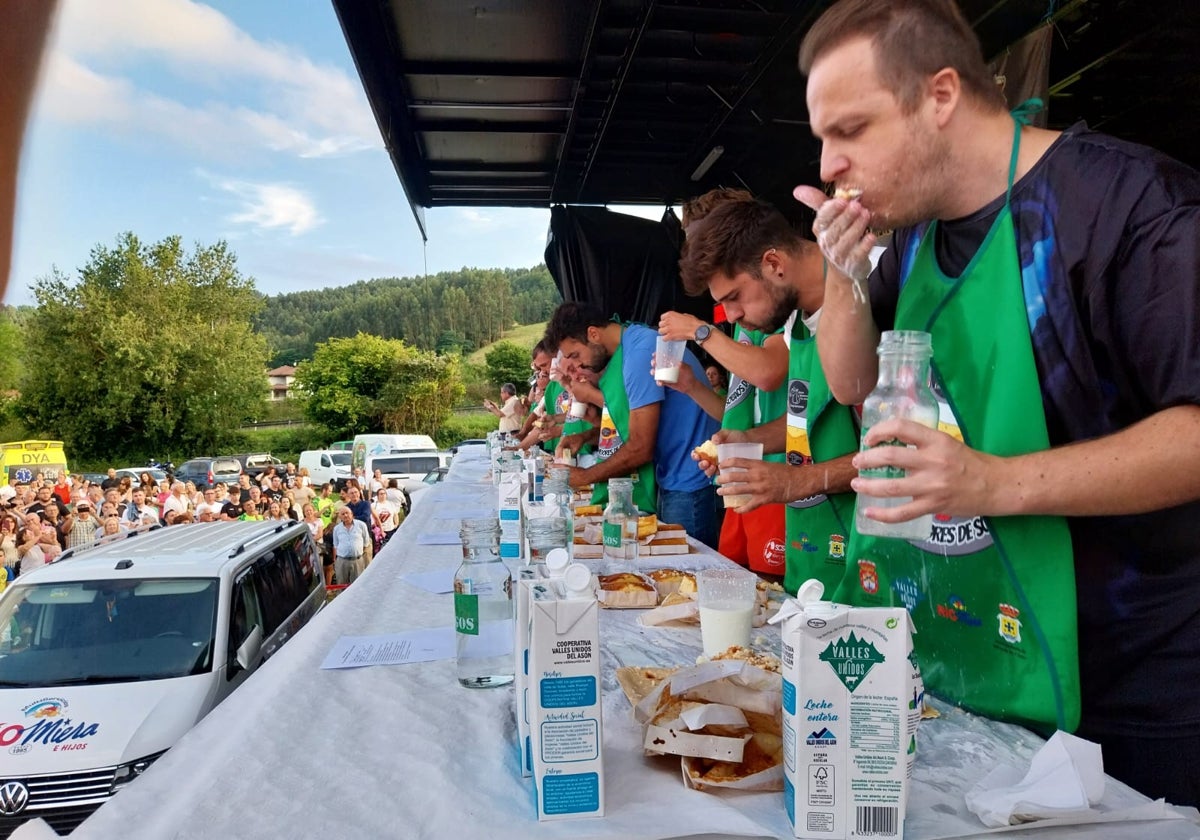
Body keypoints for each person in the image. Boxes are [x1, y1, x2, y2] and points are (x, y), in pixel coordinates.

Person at [793, 0, 1200, 806]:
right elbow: (850, 384)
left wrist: (992, 483)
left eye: (850, 129)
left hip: (1136, 681)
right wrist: (842, 276)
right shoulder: (907, 234)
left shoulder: (1131, 208)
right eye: (822, 138)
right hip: (968, 655)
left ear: (940, 95)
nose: (828, 163)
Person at [672, 195, 860, 591]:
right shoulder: (797, 325)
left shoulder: (873, 287)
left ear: (773, 264)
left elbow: (907, 455)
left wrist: (797, 481)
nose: (732, 316)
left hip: (874, 560)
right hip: (816, 549)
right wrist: (748, 438)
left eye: (733, 298)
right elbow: (806, 420)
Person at [544, 301, 722, 547]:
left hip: (692, 480)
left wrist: (585, 476)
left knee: (688, 572)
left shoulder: (639, 353)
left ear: (593, 334)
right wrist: (584, 437)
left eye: (576, 355)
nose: (581, 366)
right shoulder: (630, 346)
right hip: (673, 477)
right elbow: (632, 427)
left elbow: (640, 446)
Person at [331, 506, 368, 585]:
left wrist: (358, 552)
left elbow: (366, 542)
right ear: (340, 516)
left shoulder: (361, 525)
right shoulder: (337, 529)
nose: (345, 515)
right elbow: (335, 545)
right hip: (342, 561)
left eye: (347, 513)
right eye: (343, 514)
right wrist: (335, 560)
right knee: (341, 585)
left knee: (357, 585)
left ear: (351, 514)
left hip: (357, 561)